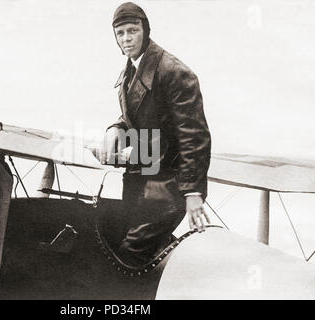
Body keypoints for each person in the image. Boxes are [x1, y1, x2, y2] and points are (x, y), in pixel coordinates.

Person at [100, 2, 212, 266]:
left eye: (132, 30)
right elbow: (142, 116)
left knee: (129, 256)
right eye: (120, 33)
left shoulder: (175, 72)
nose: (127, 39)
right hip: (141, 181)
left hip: (168, 187)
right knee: (122, 249)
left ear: (145, 30)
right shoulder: (132, 68)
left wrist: (193, 193)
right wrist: (116, 128)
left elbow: (194, 137)